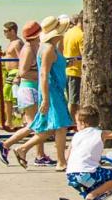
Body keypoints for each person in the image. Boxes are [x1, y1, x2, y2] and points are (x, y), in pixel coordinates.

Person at [12, 15, 73, 169]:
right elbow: (43, 74)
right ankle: (61, 161)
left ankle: (23, 149)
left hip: (55, 89)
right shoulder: (48, 49)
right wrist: (45, 99)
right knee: (61, 125)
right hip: (52, 91)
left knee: (52, 127)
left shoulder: (49, 47)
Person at [0, 21, 48, 168]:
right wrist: (41, 74)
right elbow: (23, 71)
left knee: (40, 124)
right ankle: (5, 145)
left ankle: (40, 155)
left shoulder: (34, 47)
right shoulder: (28, 49)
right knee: (33, 124)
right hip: (28, 88)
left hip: (33, 88)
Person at [1, 21, 23, 126]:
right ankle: (9, 121)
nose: (4, 33)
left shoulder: (17, 43)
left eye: (6, 31)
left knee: (10, 96)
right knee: (7, 96)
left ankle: (10, 121)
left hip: (15, 72)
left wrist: (19, 74)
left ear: (13, 31)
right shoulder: (12, 42)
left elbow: (22, 58)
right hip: (10, 73)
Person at [64, 12, 84, 119]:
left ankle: (71, 122)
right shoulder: (81, 35)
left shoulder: (68, 32)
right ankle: (71, 122)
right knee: (74, 100)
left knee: (71, 98)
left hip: (67, 69)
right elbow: (84, 53)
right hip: (76, 71)